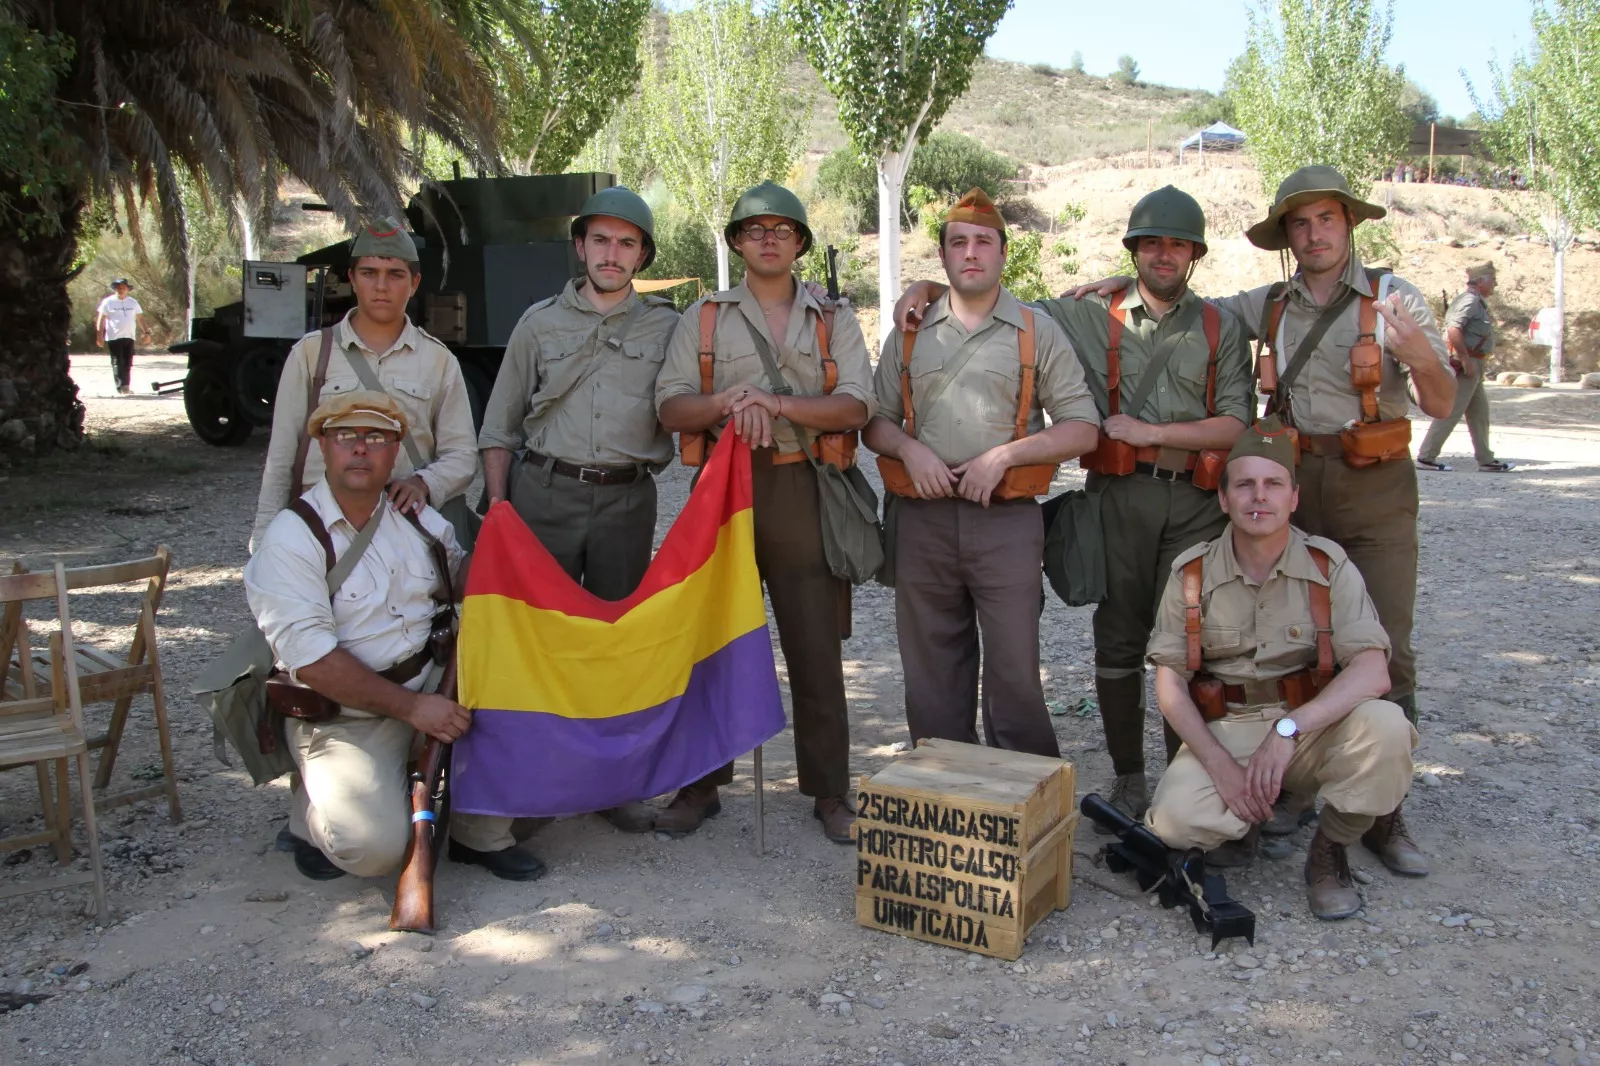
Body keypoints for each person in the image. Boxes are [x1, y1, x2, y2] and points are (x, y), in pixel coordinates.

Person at [1070, 166, 1454, 876]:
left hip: (1374, 483)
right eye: (1300, 224)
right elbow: (1182, 302)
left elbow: (1439, 398)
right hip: (1292, 475)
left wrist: (1422, 354)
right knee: (1290, 629)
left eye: (1326, 221)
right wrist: (1106, 290)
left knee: (1385, 642)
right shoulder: (1266, 303)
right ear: (1288, 237)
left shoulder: (1394, 300)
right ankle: (1291, 774)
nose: (1314, 235)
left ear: (1350, 225)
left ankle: (1381, 812)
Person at [892, 187, 1251, 823]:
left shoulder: (1221, 321)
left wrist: (1150, 434)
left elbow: (1237, 420)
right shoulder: (1087, 314)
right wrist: (922, 283)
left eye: (1175, 245)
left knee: (1190, 645)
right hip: (1115, 500)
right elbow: (981, 296)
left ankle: (1181, 778)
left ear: (1195, 253)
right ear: (1134, 251)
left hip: (1194, 504)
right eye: (1149, 244)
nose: (1162, 255)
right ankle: (1122, 779)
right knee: (1115, 644)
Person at [244, 391, 543, 882]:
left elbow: (460, 577)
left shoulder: (415, 516)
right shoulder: (292, 538)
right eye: (346, 436)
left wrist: (503, 542)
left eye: (376, 437)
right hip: (347, 713)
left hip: (432, 685)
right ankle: (310, 811)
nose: (361, 448)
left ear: (395, 450)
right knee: (373, 850)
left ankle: (477, 835)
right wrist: (412, 710)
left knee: (531, 712)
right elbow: (314, 661)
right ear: (324, 447)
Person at [656, 181, 875, 844]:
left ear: (800, 242)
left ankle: (830, 788)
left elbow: (857, 406)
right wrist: (732, 402)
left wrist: (774, 405)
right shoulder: (704, 318)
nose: (770, 238)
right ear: (737, 243)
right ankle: (701, 783)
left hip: (803, 485)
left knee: (814, 645)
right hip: (724, 491)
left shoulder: (833, 317)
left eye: (783, 229)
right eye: (756, 230)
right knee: (712, 641)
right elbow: (671, 407)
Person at [1143, 417, 1415, 919]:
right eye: (1244, 484)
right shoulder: (1191, 573)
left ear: (1293, 497)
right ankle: (1245, 822)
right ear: (1224, 499)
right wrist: (1220, 766)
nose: (1258, 497)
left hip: (1311, 727)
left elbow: (1373, 671)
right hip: (1230, 731)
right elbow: (1170, 681)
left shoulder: (1327, 565)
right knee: (1174, 824)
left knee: (1387, 728)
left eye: (1273, 484)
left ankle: (1330, 850)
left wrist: (1291, 728)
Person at [865, 188, 1099, 760]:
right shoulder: (912, 330)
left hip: (1007, 521)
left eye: (984, 242)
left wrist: (1006, 456)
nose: (971, 253)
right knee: (930, 666)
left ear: (1002, 254)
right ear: (942, 257)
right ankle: (944, 784)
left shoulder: (1034, 330)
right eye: (959, 243)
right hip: (923, 520)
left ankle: (1023, 787)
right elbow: (873, 421)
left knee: (1015, 666)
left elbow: (1083, 427)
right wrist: (908, 450)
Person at [477, 186, 680, 834]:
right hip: (546, 495)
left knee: (615, 644)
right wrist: (500, 511)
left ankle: (610, 785)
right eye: (601, 240)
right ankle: (537, 785)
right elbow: (498, 426)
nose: (612, 254)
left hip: (627, 500)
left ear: (642, 254)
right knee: (539, 644)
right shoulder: (539, 324)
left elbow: (722, 360)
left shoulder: (667, 328)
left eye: (626, 243)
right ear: (580, 246)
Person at [250, 221, 477, 552]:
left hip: (404, 531)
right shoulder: (312, 354)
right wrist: (266, 540)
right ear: (352, 279)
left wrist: (424, 483)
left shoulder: (438, 361)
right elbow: (281, 456)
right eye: (369, 273)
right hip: (323, 529)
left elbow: (462, 455)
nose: (381, 286)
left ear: (414, 283)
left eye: (395, 275)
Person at [1416, 262, 1513, 473]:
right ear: (1481, 282)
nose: (1495, 285)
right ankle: (1426, 456)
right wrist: (1466, 360)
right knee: (1451, 411)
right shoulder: (1469, 301)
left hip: (1475, 364)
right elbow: (1453, 329)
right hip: (1467, 364)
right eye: (1493, 280)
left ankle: (1486, 460)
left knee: (1479, 413)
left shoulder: (1476, 301)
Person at [96, 278, 143, 395]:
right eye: (118, 288)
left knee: (128, 362)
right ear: (115, 289)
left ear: (127, 289)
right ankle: (120, 387)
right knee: (117, 361)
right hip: (114, 337)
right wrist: (99, 336)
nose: (121, 290)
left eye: (123, 287)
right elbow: (101, 319)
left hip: (129, 336)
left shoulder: (133, 302)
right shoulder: (108, 302)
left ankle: (126, 386)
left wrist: (146, 332)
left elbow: (140, 318)